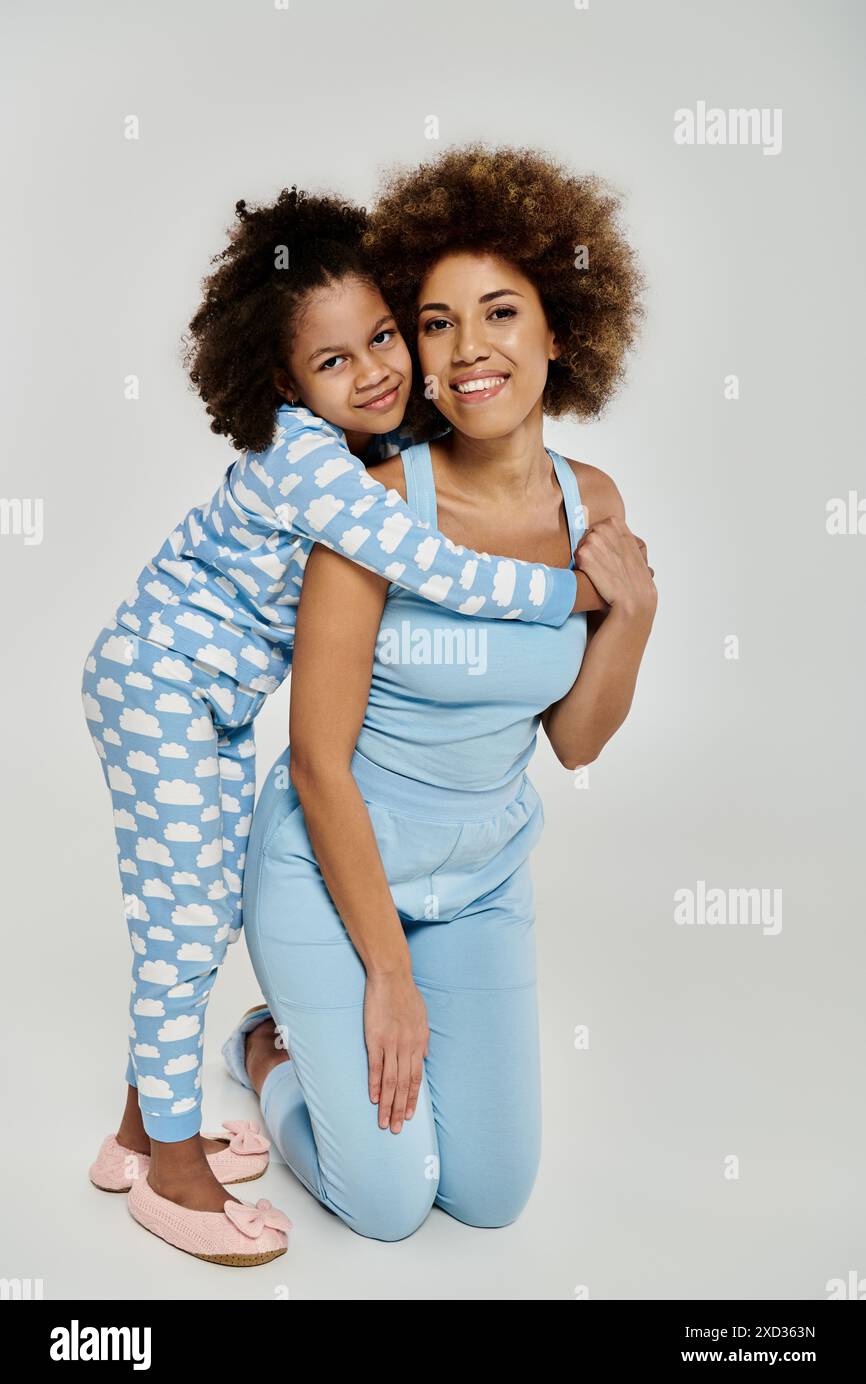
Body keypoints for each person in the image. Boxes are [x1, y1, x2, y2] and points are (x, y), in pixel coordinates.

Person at [81, 185, 606, 1265]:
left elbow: (572, 729)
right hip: (161, 684)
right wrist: (571, 597)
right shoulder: (321, 472)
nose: (375, 370)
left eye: (381, 337)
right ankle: (171, 1167)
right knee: (181, 925)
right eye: (336, 361)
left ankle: (138, 1134)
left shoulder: (380, 446)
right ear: (281, 382)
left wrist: (625, 602)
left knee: (203, 908)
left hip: (217, 699)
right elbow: (433, 566)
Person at [221, 144, 655, 1242]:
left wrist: (633, 616)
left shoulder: (589, 500)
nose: (467, 351)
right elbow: (317, 763)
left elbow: (573, 741)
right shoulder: (371, 513)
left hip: (477, 882)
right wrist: (386, 978)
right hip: (330, 879)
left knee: (489, 1192)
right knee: (388, 1201)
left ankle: (343, 1031)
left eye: (499, 313)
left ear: (557, 330)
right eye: (434, 322)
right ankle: (267, 1047)